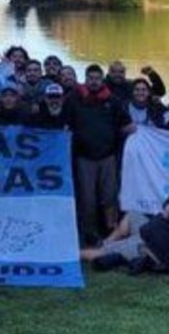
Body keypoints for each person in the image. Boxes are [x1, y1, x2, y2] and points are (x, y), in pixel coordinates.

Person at [66, 64, 135, 246]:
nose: (94, 82)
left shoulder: (113, 100)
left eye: (97, 78)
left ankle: (111, 229)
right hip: (83, 157)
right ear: (86, 79)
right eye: (90, 78)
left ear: (102, 79)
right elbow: (64, 123)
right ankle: (90, 233)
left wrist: (145, 135)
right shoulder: (74, 98)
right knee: (87, 198)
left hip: (108, 156)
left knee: (110, 196)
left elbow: (128, 126)